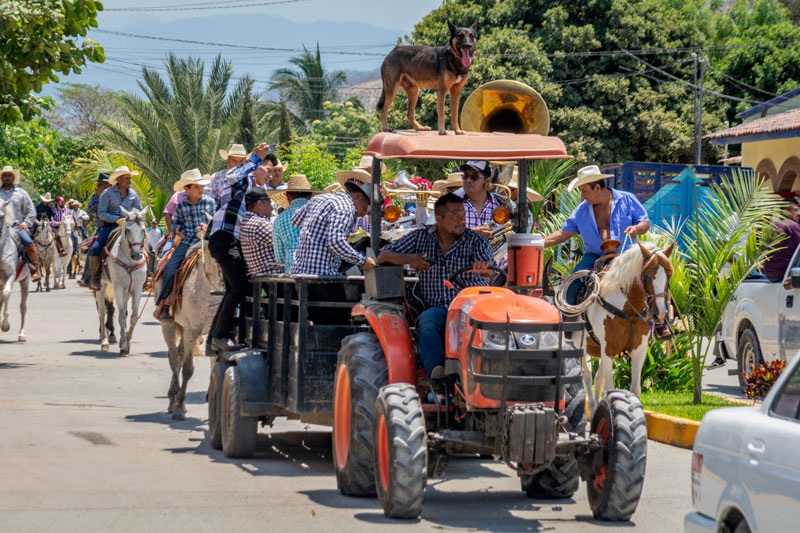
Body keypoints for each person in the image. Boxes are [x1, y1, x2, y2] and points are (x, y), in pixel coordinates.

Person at [378, 193, 492, 377]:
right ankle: (436, 375)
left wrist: (483, 268)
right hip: (439, 308)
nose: (461, 220)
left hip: (472, 308)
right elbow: (383, 256)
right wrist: (409, 259)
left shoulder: (476, 241)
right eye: (455, 215)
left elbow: (489, 270)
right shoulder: (420, 238)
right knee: (427, 321)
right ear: (438, 219)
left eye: (463, 215)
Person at [544, 164, 650, 300]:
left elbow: (645, 223)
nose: (582, 195)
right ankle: (568, 320)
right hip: (594, 257)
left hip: (626, 256)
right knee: (571, 286)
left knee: (653, 282)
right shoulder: (581, 212)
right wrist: (538, 244)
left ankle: (659, 320)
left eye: (584, 190)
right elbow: (563, 233)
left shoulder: (627, 199)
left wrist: (636, 228)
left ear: (598, 188)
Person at [207, 141, 271, 354]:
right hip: (224, 236)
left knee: (234, 289)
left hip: (233, 239)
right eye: (238, 160)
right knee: (239, 288)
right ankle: (221, 336)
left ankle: (214, 339)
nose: (241, 164)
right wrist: (256, 159)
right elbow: (235, 175)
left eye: (243, 160)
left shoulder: (250, 181)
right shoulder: (226, 177)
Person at [154, 169, 214, 321]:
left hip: (207, 241)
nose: (200, 189)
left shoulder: (211, 202)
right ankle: (165, 302)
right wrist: (176, 229)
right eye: (196, 187)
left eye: (201, 186)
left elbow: (215, 221)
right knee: (170, 266)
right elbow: (176, 224)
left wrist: (208, 228)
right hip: (187, 241)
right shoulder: (181, 205)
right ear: (186, 189)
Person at [290, 180, 377, 277]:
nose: (363, 214)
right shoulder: (346, 208)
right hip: (322, 275)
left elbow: (295, 220)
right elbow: (336, 241)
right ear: (358, 196)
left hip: (299, 272)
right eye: (364, 208)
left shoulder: (320, 198)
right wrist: (362, 261)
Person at [85, 166, 143, 290]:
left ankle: (144, 275)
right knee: (95, 247)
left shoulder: (133, 194)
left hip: (129, 226)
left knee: (145, 245)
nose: (129, 180)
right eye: (126, 178)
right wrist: (116, 219)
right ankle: (95, 277)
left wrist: (134, 218)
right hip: (111, 226)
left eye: (129, 178)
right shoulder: (107, 193)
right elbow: (101, 213)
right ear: (119, 179)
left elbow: (138, 210)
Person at [268, 174, 319, 273]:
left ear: (287, 196)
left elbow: (280, 259)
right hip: (319, 272)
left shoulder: (279, 220)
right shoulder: (319, 214)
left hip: (292, 274)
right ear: (309, 196)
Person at [0, 166, 40, 280]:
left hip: (16, 226)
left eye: (9, 175)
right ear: (1, 177)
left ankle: (35, 269)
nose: (7, 177)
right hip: (0, 226)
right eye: (5, 175)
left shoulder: (22, 193)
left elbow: (31, 211)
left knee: (28, 242)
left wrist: (25, 224)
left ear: (14, 178)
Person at [456, 161, 505, 240]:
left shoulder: (500, 205)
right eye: (465, 176)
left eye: (474, 177)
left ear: (488, 181)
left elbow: (508, 238)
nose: (468, 180)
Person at [78, 172, 112, 287]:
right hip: (101, 228)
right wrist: (98, 196)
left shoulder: (115, 194)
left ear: (107, 184)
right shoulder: (96, 195)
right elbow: (91, 209)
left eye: (100, 183)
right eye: (98, 183)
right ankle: (88, 276)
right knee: (94, 246)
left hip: (115, 225)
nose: (98, 185)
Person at [240, 188, 283, 275]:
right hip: (275, 278)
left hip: (263, 277)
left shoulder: (246, 222)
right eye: (269, 203)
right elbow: (286, 242)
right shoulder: (259, 224)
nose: (271, 208)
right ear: (260, 204)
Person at [763, 197, 800, 284]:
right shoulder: (791, 225)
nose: (799, 213)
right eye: (795, 210)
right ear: (785, 212)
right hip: (785, 274)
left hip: (770, 275)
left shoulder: (773, 226)